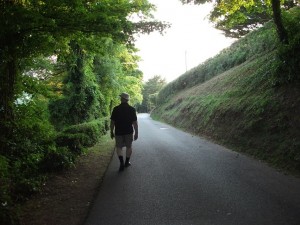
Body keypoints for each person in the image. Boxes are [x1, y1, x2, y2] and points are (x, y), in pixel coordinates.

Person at [110, 92, 138, 171]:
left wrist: (111, 131)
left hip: (118, 132)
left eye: (120, 98)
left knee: (119, 147)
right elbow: (135, 123)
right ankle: (126, 162)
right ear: (127, 100)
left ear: (122, 99)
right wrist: (136, 133)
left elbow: (112, 122)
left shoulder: (116, 109)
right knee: (129, 147)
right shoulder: (132, 109)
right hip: (129, 132)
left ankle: (121, 163)